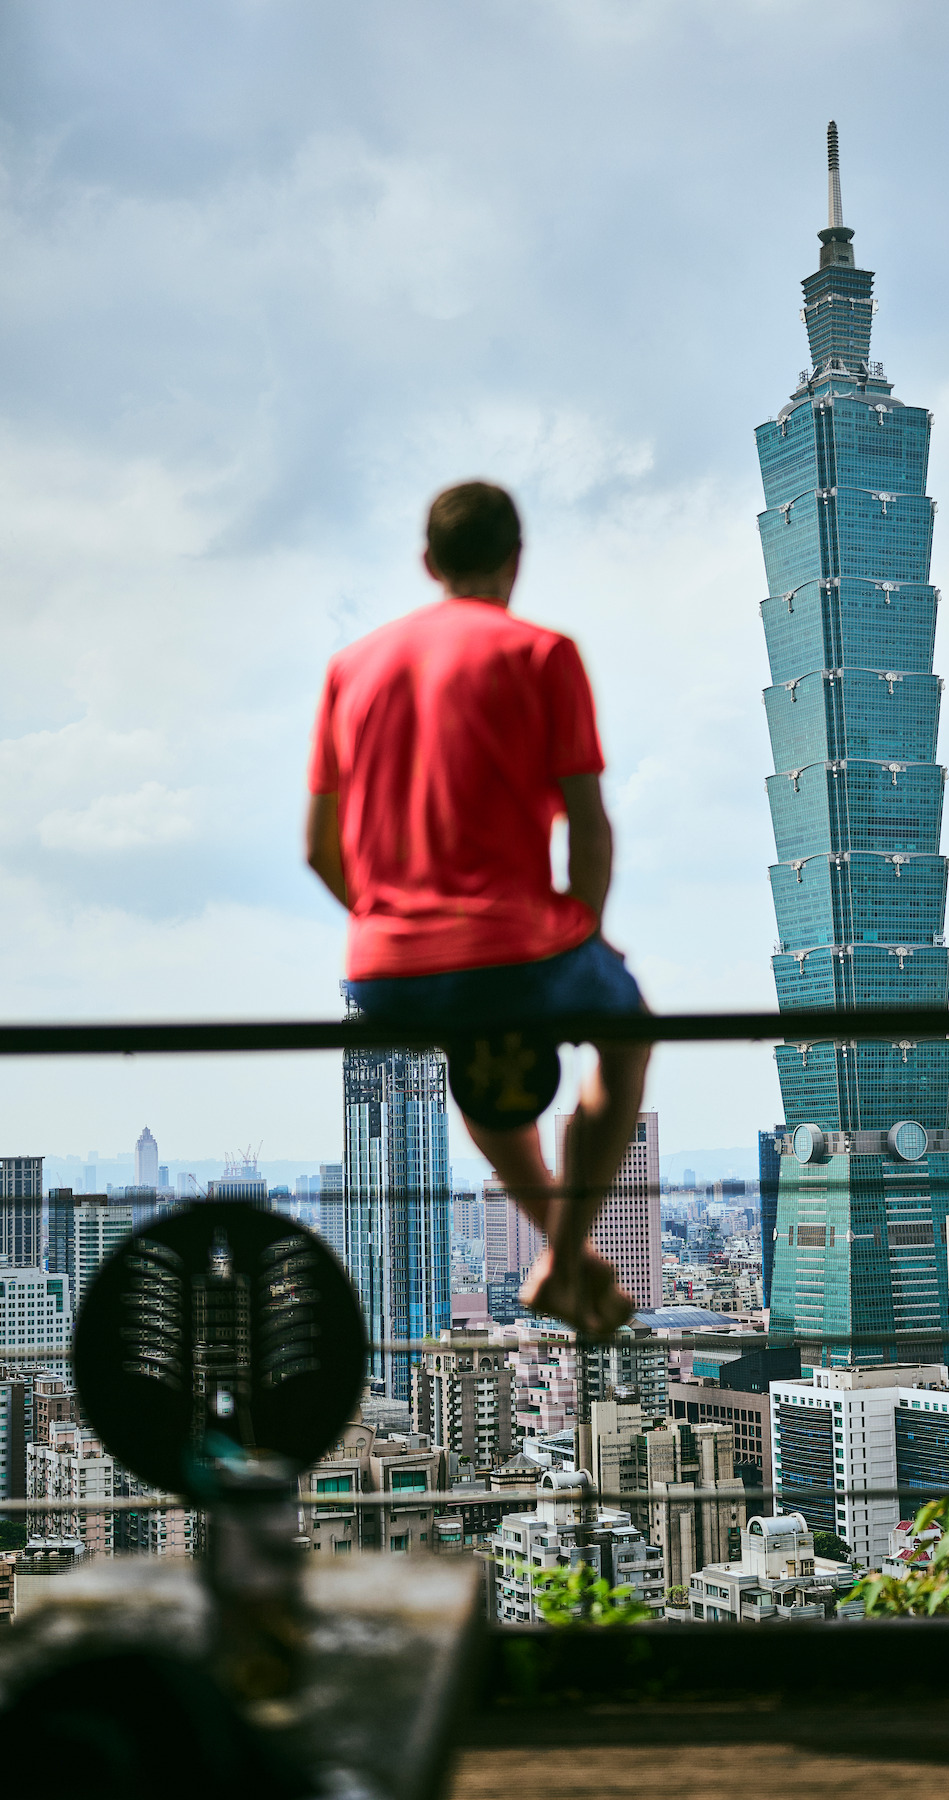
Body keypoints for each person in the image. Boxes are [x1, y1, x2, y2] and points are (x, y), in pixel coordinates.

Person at [305, 480, 650, 1337]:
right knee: (627, 1032)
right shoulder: (542, 654)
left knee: (479, 1057)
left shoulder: (350, 668)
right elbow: (591, 831)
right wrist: (581, 940)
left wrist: (391, 920)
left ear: (429, 562)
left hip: (387, 969)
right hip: (520, 943)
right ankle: (564, 1258)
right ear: (516, 558)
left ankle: (563, 1261)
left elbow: (320, 848)